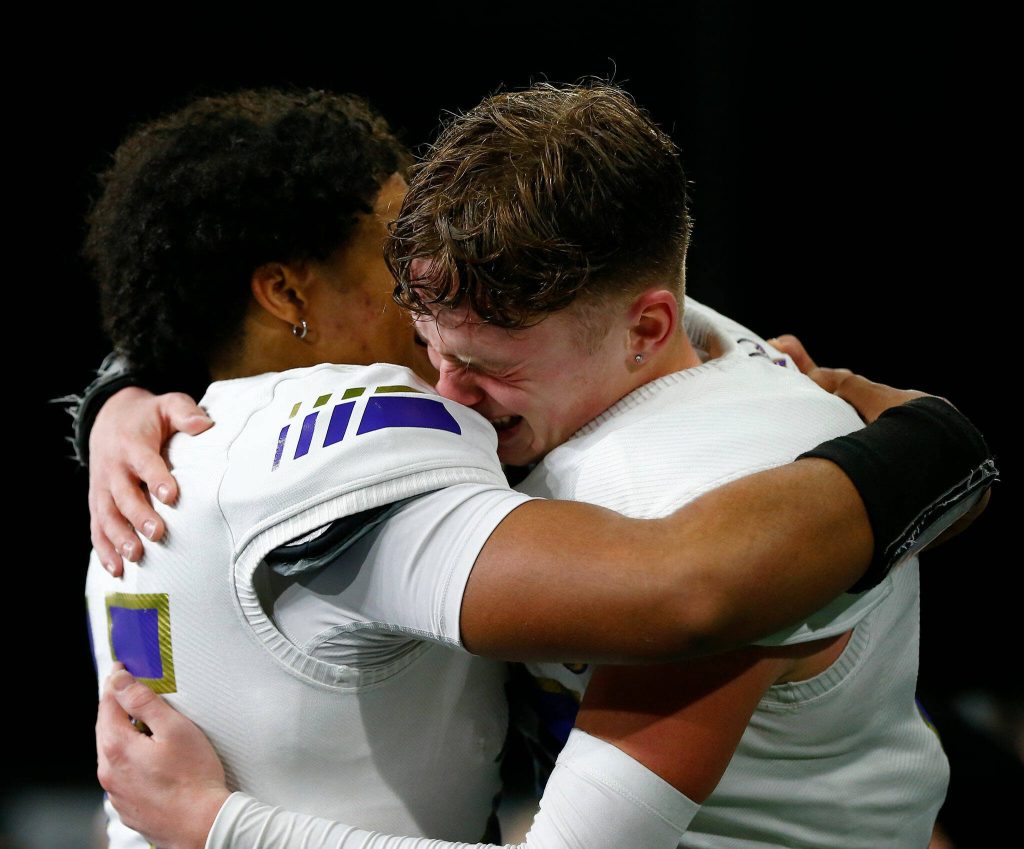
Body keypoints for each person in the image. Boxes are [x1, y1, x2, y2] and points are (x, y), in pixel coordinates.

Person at [84, 87, 995, 849]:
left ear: (645, 327)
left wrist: (219, 824)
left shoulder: (717, 478)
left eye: (487, 365)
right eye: (429, 332)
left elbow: (697, 587)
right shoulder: (570, 354)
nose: (447, 389)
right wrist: (120, 395)